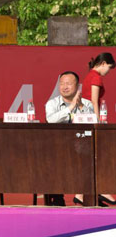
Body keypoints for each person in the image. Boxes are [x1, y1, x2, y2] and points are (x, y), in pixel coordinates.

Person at [45, 71, 94, 206]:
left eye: (68, 83)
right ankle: (57, 197)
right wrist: (71, 107)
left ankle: (85, 195)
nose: (64, 87)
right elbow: (51, 120)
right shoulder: (52, 104)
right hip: (57, 145)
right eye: (62, 84)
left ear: (77, 86)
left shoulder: (87, 104)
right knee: (51, 156)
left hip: (80, 145)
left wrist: (80, 106)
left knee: (91, 152)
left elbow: (93, 122)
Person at [76, 52, 116, 206]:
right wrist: (98, 121)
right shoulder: (96, 77)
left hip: (86, 119)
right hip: (91, 121)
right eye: (109, 68)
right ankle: (100, 190)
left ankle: (82, 193)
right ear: (103, 63)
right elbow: (94, 100)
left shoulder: (89, 75)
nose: (108, 72)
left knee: (92, 157)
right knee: (99, 156)